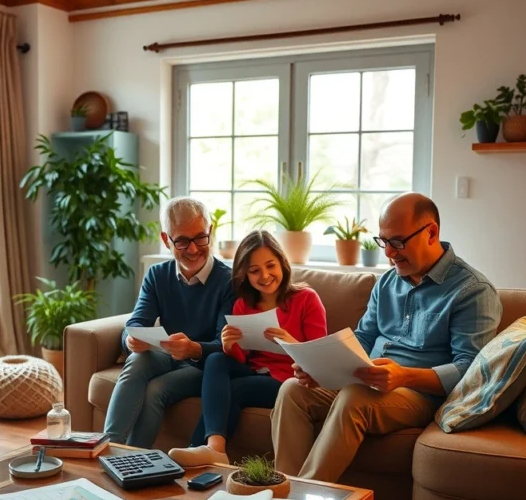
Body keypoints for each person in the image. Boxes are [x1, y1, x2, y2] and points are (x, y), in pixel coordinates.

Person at [271, 192, 502, 482]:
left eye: (398, 242)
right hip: (367, 382)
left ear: (431, 232)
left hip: (419, 395)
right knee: (293, 389)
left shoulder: (472, 291)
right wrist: (322, 369)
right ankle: (282, 490)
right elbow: (364, 337)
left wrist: (404, 376)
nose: (389, 253)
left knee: (355, 397)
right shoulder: (388, 281)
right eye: (384, 241)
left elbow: (471, 370)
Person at [168, 231, 327, 467]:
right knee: (216, 360)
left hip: (288, 380)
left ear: (282, 263)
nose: (264, 276)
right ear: (245, 274)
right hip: (256, 371)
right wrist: (230, 346)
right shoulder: (243, 304)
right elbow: (244, 359)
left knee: (233, 390)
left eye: (270, 266)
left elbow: (319, 358)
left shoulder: (306, 298)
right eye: (254, 271)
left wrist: (290, 343)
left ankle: (203, 451)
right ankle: (213, 450)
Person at [103, 197, 235, 448]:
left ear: (210, 232)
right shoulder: (157, 275)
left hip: (203, 368)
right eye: (183, 241)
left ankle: (134, 462)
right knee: (137, 358)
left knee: (156, 389)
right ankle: (108, 449)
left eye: (200, 238)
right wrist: (131, 341)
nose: (194, 249)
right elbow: (134, 324)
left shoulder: (227, 281)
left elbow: (225, 346)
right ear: (166, 240)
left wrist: (194, 348)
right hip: (166, 356)